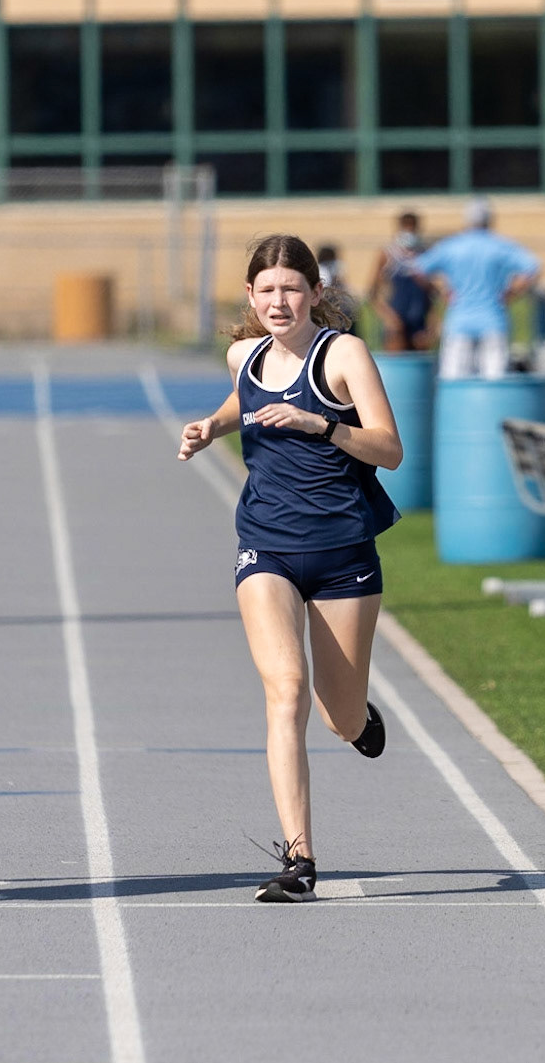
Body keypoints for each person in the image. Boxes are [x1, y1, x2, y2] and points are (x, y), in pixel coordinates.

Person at [176, 234, 403, 903]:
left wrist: (320, 425)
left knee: (338, 716)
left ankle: (358, 721)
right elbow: (242, 402)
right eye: (267, 290)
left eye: (292, 289)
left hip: (342, 554)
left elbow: (389, 449)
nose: (279, 301)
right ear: (250, 296)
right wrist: (211, 427)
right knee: (286, 689)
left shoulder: (343, 355)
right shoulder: (242, 356)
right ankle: (299, 859)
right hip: (266, 546)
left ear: (315, 292)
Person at [414, 197, 542, 379]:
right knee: (495, 379)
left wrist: (442, 292)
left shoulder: (452, 246)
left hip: (459, 320)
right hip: (493, 319)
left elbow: (419, 269)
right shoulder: (499, 245)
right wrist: (511, 293)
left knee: (453, 378)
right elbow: (533, 267)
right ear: (490, 219)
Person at [369, 211, 435, 352]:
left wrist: (432, 322)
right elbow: (372, 293)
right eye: (406, 229)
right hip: (396, 320)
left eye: (412, 229)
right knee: (397, 354)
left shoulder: (425, 255)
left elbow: (431, 293)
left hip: (419, 320)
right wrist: (388, 317)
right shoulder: (387, 254)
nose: (409, 233)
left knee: (419, 358)